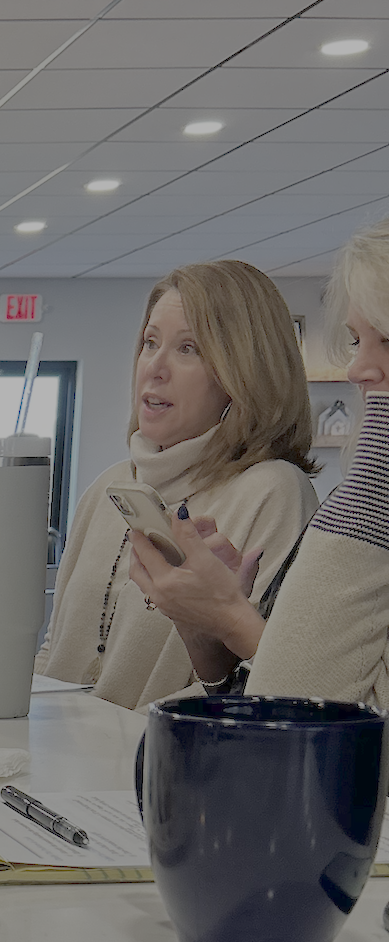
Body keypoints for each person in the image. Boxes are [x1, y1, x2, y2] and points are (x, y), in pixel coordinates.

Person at [128, 215, 389, 705]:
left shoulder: (292, 491)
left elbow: (328, 707)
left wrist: (228, 615)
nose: (356, 369)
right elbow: (251, 694)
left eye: (387, 340)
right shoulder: (116, 481)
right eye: (357, 340)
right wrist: (208, 625)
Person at [36, 260, 318, 709]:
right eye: (150, 343)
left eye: (189, 349)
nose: (155, 367)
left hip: (152, 765)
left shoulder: (272, 491)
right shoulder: (110, 485)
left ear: (243, 374)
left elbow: (254, 684)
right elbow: (55, 650)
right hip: (59, 762)